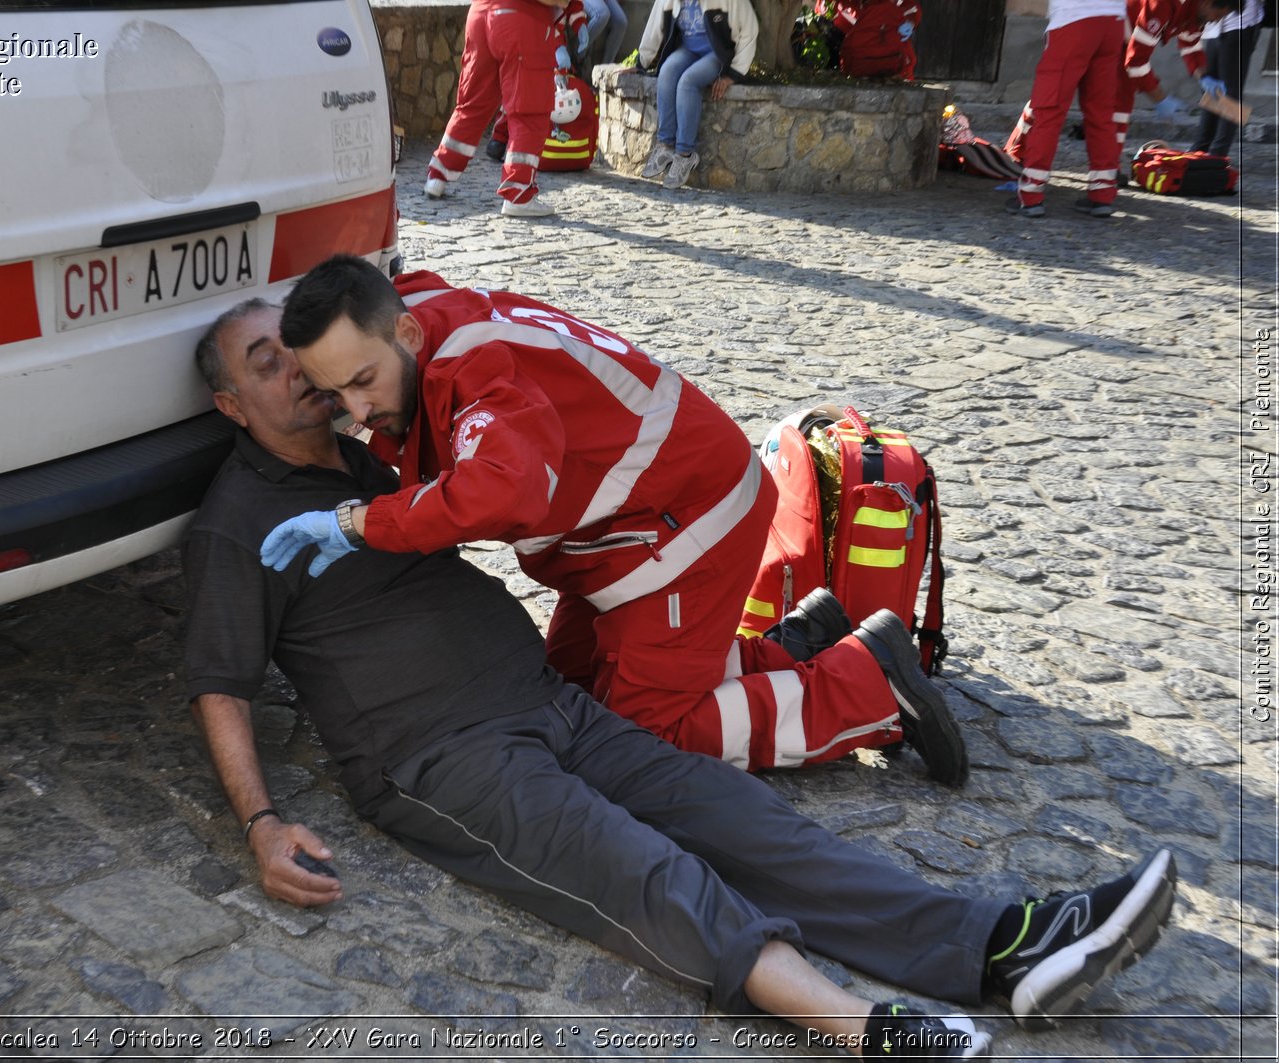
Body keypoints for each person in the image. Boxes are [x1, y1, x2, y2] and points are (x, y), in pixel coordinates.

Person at [182, 296, 1181, 1060]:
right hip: (441, 754)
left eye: (305, 354)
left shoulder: (364, 459)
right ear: (231, 403)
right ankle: (863, 1025)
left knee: (743, 817)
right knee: (643, 870)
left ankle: (1002, 946)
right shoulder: (239, 519)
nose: (308, 380)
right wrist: (261, 822)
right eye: (267, 363)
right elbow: (220, 679)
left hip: (543, 701)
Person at [265, 255, 968, 788]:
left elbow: (500, 490)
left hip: (682, 529)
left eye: (361, 383)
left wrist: (361, 523)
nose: (356, 412)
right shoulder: (410, 318)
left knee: (639, 735)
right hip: (631, 535)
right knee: (570, 691)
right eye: (334, 395)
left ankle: (870, 690)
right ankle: (801, 643)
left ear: (408, 332)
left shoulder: (473, 369)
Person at [423, 0, 587, 218]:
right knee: (529, 109)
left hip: (481, 15)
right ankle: (518, 192)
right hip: (521, 20)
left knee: (472, 104)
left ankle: (438, 175)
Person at [1003, 0, 1130, 219]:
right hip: (1113, 22)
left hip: (1073, 20)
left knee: (1049, 109)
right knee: (1101, 112)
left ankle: (1031, 194)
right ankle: (1103, 194)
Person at [634, 0, 759, 188]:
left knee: (688, 82)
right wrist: (640, 63)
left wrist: (733, 74)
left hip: (717, 54)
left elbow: (750, 30)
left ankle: (685, 154)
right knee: (667, 72)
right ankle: (665, 145)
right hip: (687, 50)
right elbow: (654, 27)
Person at [1115, 0, 1239, 152]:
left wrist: (1204, 77)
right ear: (1207, 4)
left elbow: (1190, 44)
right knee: (1115, 104)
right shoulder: (1163, 4)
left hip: (1127, 40)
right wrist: (1160, 98)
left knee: (1122, 106)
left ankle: (1111, 163)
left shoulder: (1196, 10)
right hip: (1112, 31)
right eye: (1218, 15)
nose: (1216, 21)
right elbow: (1136, 60)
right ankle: (1107, 164)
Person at [1190, 0, 1266, 156]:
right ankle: (1200, 149)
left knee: (1231, 94)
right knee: (1212, 91)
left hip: (1240, 24)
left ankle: (1218, 154)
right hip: (1212, 27)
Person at [827, 0, 923, 80]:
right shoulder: (843, 5)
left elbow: (912, 7)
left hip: (893, 62)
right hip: (860, 64)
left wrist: (910, 22)